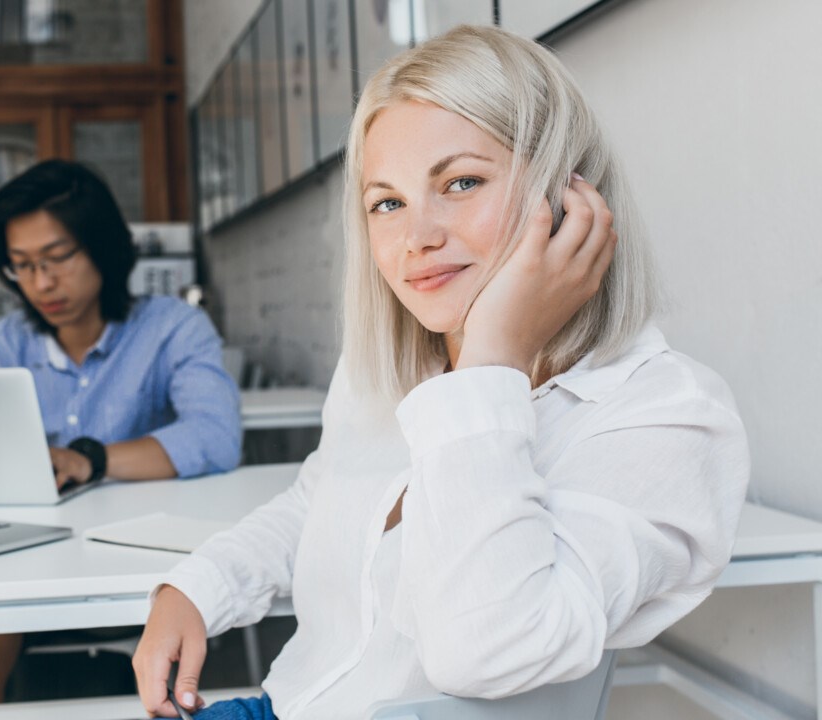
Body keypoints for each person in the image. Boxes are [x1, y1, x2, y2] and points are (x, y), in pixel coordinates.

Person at [132, 25, 749, 720]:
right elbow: (318, 502)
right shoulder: (389, 362)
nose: (416, 239)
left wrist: (491, 365)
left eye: (461, 182)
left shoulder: (663, 415)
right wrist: (196, 586)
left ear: (570, 196)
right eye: (387, 203)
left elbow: (487, 650)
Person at [0, 159, 243, 707]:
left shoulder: (172, 327)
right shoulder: (2, 346)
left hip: (138, 569)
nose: (42, 283)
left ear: (103, 248)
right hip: (22, 571)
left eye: (58, 258)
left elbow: (215, 436)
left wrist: (91, 461)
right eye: (22, 266)